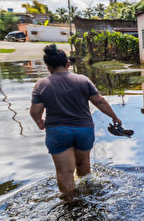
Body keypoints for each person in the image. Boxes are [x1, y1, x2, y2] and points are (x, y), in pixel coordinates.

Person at [30, 44, 122, 199]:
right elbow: (99, 101)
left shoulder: (42, 85)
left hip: (58, 132)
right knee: (83, 167)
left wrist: (39, 121)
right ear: (67, 64)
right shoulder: (83, 80)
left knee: (64, 172)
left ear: (48, 67)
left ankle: (71, 205)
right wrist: (114, 116)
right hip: (84, 131)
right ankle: (88, 197)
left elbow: (35, 110)